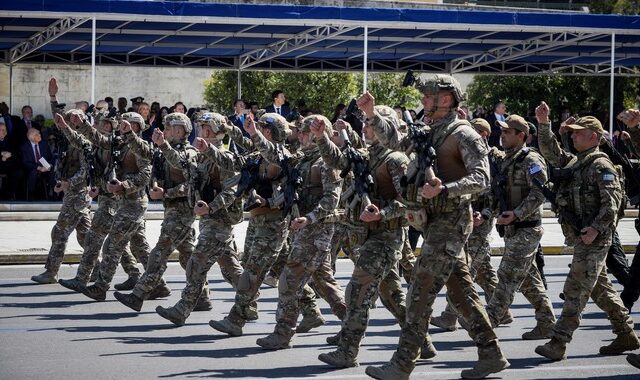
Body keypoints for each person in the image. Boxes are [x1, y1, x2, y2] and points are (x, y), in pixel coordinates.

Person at [364, 74, 509, 380]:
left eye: (427, 97)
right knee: (460, 293)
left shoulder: (463, 134)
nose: (423, 102)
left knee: (419, 290)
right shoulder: (429, 131)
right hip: (434, 222)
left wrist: (446, 189)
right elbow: (393, 142)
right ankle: (491, 353)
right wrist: (371, 115)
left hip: (451, 221)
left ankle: (402, 364)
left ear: (445, 99)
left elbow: (482, 178)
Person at [534, 102, 639, 361]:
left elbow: (611, 204)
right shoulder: (577, 162)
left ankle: (558, 342)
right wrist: (544, 125)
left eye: (578, 133)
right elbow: (550, 151)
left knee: (575, 288)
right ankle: (626, 333)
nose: (573, 136)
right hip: (582, 235)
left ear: (594, 137)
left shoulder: (601, 165)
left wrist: (595, 228)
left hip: (595, 237)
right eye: (572, 132)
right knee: (601, 289)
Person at [312, 106, 411, 369]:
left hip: (386, 237)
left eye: (370, 125)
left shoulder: (396, 160)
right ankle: (420, 340)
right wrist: (322, 138)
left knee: (356, 292)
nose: (365, 128)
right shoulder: (367, 156)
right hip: (367, 236)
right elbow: (338, 161)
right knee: (391, 295)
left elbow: (411, 201)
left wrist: (383, 214)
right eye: (365, 124)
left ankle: (347, 352)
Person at [253, 114, 346, 350]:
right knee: (324, 283)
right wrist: (254, 134)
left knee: (288, 282)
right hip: (305, 230)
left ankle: (283, 334)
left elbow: (332, 199)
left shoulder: (326, 162)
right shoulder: (304, 160)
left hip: (317, 230)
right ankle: (352, 326)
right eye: (301, 133)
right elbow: (275, 156)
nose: (300, 136)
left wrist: (309, 218)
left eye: (305, 133)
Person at [155, 112, 245, 326]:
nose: (201, 131)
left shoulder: (226, 158)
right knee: (231, 270)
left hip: (219, 220)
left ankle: (182, 309)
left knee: (195, 264)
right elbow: (182, 164)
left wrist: (210, 207)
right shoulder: (201, 155)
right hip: (209, 220)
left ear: (216, 132)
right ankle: (249, 303)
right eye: (201, 127)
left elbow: (231, 191)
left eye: (206, 128)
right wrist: (164, 146)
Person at [113, 112, 200, 311]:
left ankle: (139, 294)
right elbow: (145, 150)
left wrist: (166, 193)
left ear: (179, 130)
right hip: (172, 211)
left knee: (159, 254)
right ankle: (202, 296)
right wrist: (130, 135)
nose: (164, 131)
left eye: (168, 128)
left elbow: (188, 181)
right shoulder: (163, 149)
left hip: (182, 212)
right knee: (188, 256)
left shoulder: (190, 153)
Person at [430, 117, 505, 331]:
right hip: (467, 215)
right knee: (480, 270)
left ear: (484, 135)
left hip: (481, 221)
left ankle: (451, 317)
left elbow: (496, 191)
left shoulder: (491, 158)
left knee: (466, 271)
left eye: (476, 131)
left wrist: (487, 214)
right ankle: (501, 309)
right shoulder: (464, 154)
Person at [484, 114, 556, 338]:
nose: (502, 136)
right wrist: (488, 212)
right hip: (513, 229)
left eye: (507, 132)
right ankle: (547, 323)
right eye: (502, 131)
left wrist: (516, 214)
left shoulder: (531, 160)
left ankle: (486, 326)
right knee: (529, 282)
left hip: (527, 228)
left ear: (521, 136)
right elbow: (498, 193)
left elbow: (540, 193)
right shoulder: (506, 159)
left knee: (506, 277)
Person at [30, 110, 91, 284]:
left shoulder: (82, 143)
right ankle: (98, 268)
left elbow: (85, 171)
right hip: (73, 193)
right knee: (84, 235)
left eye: (70, 122)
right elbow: (63, 165)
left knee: (59, 232)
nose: (66, 125)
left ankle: (51, 272)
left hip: (78, 195)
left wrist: (69, 183)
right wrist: (61, 182)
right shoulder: (66, 142)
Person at [21, 128, 53, 200]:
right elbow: (26, 163)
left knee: (53, 171)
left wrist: (50, 164)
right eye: (37, 134)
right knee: (33, 173)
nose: (39, 135)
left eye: (39, 133)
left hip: (45, 167)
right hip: (32, 168)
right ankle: (31, 194)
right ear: (30, 138)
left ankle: (52, 192)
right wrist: (39, 168)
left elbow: (50, 157)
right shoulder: (25, 147)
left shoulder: (44, 144)